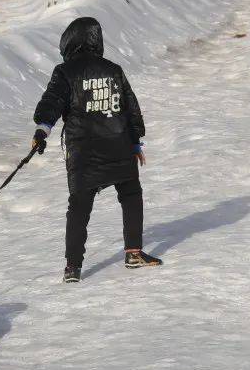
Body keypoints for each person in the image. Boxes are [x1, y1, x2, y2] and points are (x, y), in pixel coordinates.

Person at [31, 17, 162, 283]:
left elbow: (52, 103)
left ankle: (72, 267)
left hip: (84, 151)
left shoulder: (65, 72)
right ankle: (134, 253)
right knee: (131, 194)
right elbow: (130, 108)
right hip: (119, 145)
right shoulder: (113, 69)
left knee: (79, 207)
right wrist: (136, 142)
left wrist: (41, 131)